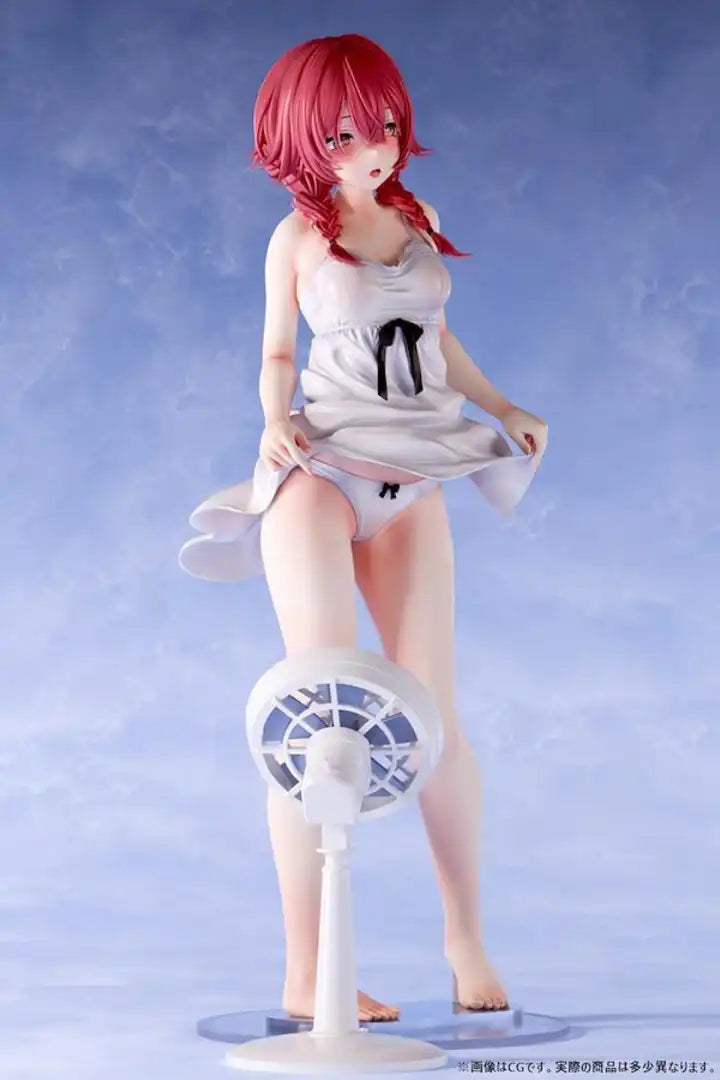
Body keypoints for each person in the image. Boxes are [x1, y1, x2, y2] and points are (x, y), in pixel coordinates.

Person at [179, 33, 548, 1023]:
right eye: (344, 134)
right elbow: (275, 352)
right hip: (324, 475)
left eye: (384, 124)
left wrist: (500, 404)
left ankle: (463, 935)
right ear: (301, 138)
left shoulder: (419, 218)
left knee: (435, 718)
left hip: (414, 476)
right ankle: (307, 973)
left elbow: (438, 340)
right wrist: (274, 421)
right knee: (319, 715)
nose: (373, 148)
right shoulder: (297, 240)